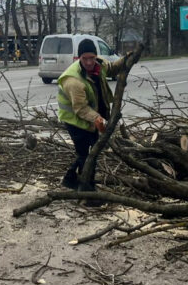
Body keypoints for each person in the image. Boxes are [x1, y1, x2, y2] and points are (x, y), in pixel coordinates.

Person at [57, 38, 134, 195]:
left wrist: (126, 59)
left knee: (90, 153)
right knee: (87, 156)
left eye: (92, 57)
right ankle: (88, 190)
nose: (89, 62)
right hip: (75, 121)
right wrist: (98, 119)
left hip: (90, 118)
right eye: (85, 58)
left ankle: (70, 179)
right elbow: (80, 108)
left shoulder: (99, 65)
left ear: (96, 56)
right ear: (79, 58)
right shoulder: (73, 80)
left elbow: (112, 69)